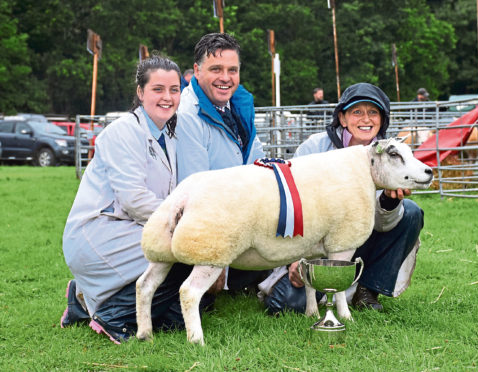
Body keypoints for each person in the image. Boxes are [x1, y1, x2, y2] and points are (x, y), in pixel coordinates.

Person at [60, 55, 208, 344]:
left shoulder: (170, 135)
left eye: (174, 90)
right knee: (179, 258)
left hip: (131, 230)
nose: (167, 97)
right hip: (100, 232)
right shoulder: (123, 130)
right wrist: (186, 221)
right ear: (140, 92)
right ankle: (113, 317)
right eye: (158, 89)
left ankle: (81, 299)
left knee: (182, 315)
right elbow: (133, 200)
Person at [261, 83, 425, 314]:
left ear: (382, 120)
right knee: (286, 305)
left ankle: (367, 290)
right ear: (343, 118)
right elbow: (292, 205)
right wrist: (296, 258)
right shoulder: (315, 148)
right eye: (357, 112)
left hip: (360, 241)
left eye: (373, 112)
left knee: (410, 212)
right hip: (314, 245)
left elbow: (381, 224)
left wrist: (390, 201)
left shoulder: (390, 157)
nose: (365, 119)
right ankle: (294, 278)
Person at [176, 33, 269, 294]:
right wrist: (214, 262)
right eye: (215, 69)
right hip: (208, 223)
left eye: (232, 70)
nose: (225, 78)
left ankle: (252, 276)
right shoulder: (187, 116)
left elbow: (257, 160)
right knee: (197, 302)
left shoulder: (238, 105)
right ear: (196, 70)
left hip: (241, 211)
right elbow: (196, 191)